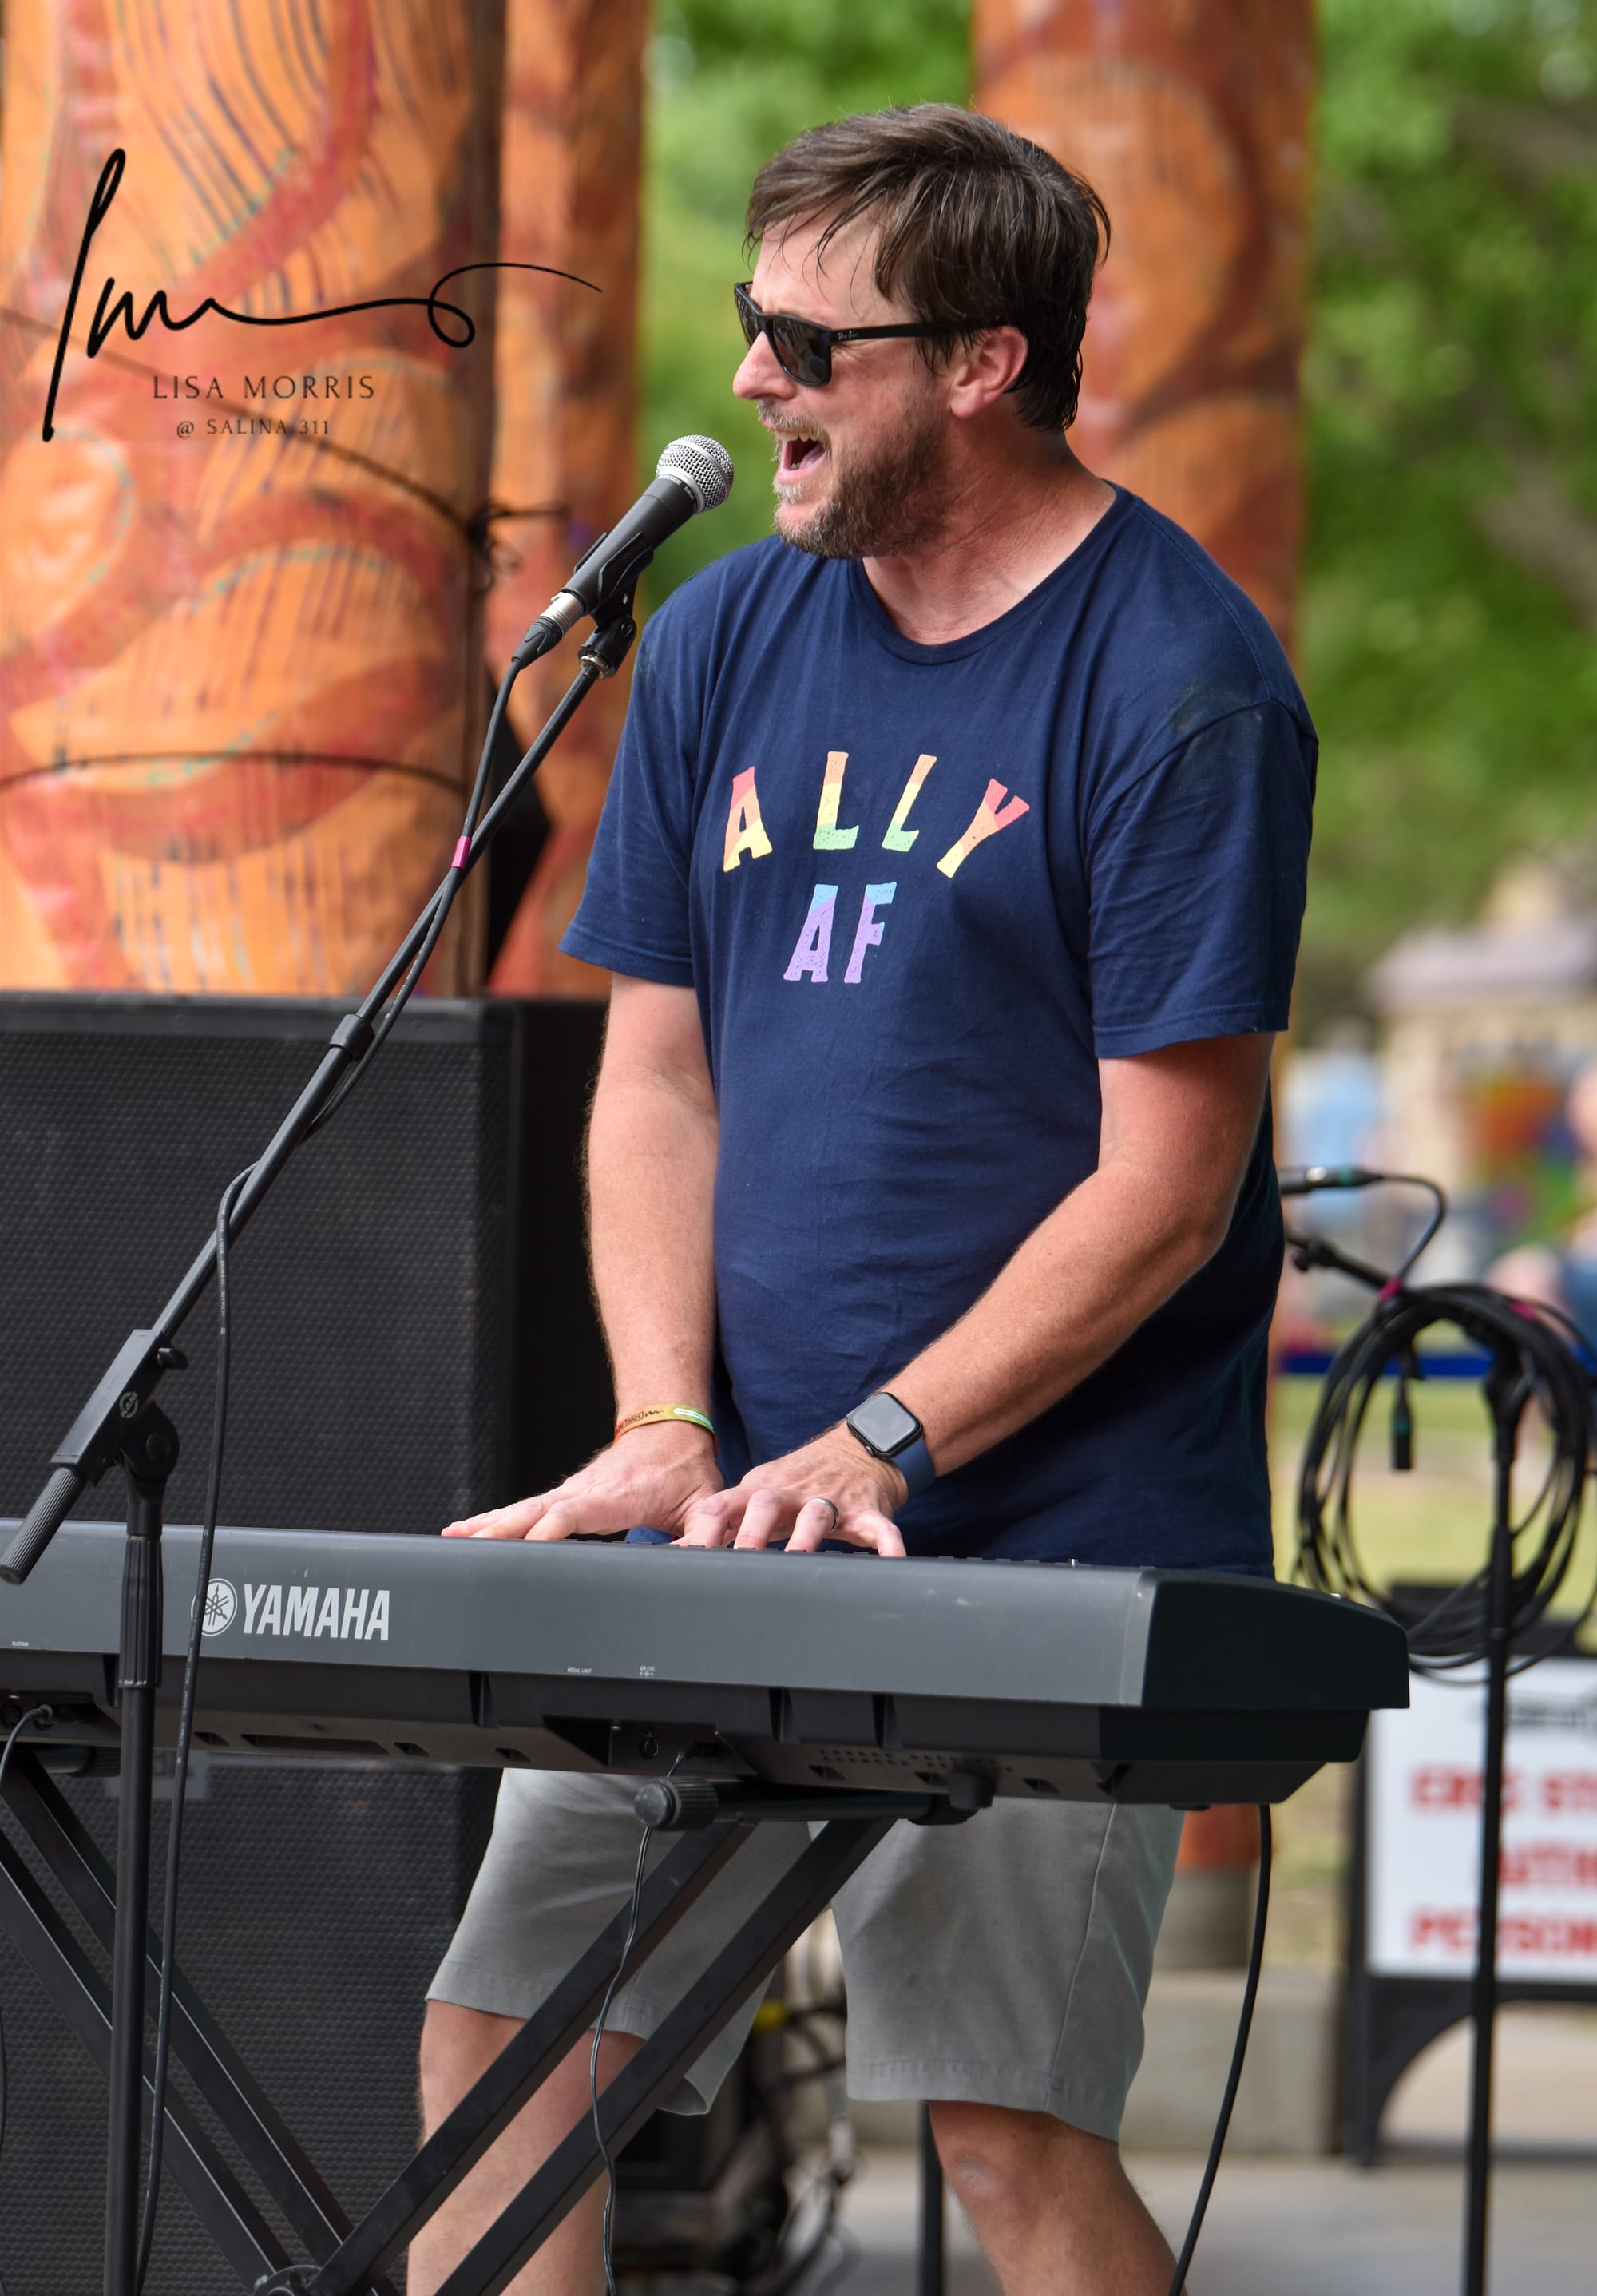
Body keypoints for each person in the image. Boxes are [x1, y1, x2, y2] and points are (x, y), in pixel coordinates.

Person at [412, 104, 1315, 2296]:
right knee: (501, 2047)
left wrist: (883, 1437)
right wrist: (667, 1420)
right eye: (755, 323)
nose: (754, 382)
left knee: (1005, 2136)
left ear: (984, 364)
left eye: (811, 346)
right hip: (744, 1524)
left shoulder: (1181, 684)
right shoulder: (726, 637)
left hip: (1050, 1540)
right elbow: (660, 1073)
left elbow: (1170, 1188)